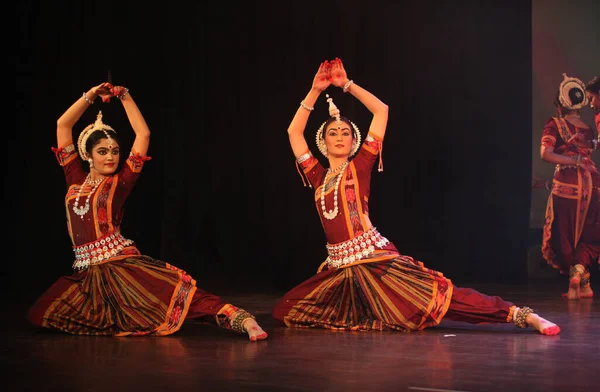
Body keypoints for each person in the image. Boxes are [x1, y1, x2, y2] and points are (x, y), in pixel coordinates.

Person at [272, 58, 560, 335]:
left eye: (344, 133)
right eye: (332, 132)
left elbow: (381, 111)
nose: (338, 136)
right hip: (340, 270)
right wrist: (315, 91)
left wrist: (346, 85)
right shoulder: (318, 177)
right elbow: (294, 131)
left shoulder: (359, 167)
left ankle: (521, 315)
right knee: (287, 310)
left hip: (374, 261)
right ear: (322, 141)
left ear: (353, 140)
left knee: (441, 299)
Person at [27, 82, 268, 340]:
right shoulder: (74, 177)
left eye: (115, 151)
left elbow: (143, 134)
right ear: (88, 155)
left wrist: (125, 97)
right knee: (41, 314)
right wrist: (90, 96)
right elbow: (63, 125)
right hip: (87, 275)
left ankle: (240, 319)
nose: (110, 157)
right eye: (103, 152)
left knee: (176, 296)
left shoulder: (120, 183)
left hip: (119, 264)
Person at [540, 73, 599, 300]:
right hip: (591, 183)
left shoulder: (554, 124)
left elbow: (546, 153)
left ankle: (575, 279)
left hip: (567, 184)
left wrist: (572, 161)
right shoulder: (588, 129)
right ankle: (582, 283)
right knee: (587, 233)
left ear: (560, 103)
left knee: (564, 234)